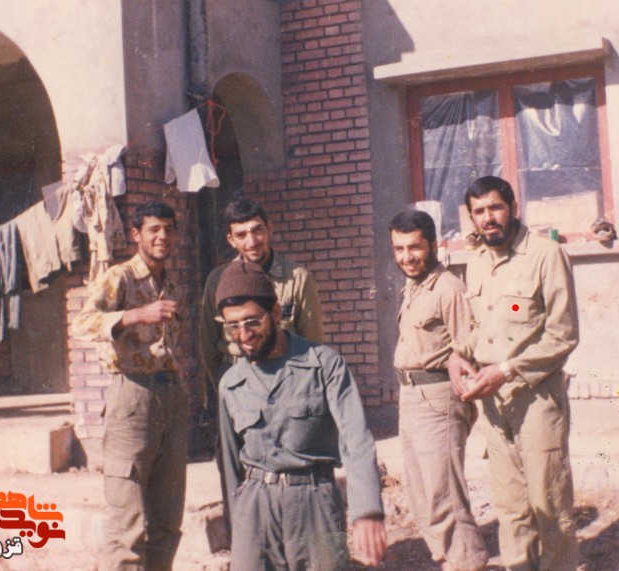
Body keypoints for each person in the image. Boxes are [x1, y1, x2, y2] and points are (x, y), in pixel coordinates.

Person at [215, 260, 386, 569]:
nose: (244, 334)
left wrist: (367, 511)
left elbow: (356, 439)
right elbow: (229, 465)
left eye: (252, 321)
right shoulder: (230, 383)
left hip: (316, 504)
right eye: (233, 326)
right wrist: (236, 528)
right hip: (255, 510)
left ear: (275, 312)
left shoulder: (324, 365)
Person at [449, 176, 579, 571]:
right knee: (511, 509)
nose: (488, 218)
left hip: (536, 398)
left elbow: (563, 335)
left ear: (513, 207)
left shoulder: (546, 255)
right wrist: (458, 354)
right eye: (479, 211)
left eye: (495, 207)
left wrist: (506, 370)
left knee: (549, 505)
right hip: (493, 403)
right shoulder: (477, 263)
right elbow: (481, 326)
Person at [197, 197, 325, 535]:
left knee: (291, 468)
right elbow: (208, 346)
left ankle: (297, 546)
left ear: (270, 229)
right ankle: (246, 545)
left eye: (257, 230)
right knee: (236, 471)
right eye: (241, 234)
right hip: (237, 386)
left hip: (286, 387)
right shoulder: (217, 281)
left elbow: (314, 344)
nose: (251, 241)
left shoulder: (296, 278)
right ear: (230, 239)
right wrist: (229, 386)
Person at [72, 200, 186, 571]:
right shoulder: (119, 277)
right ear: (136, 234)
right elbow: (82, 323)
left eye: (168, 229)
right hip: (133, 397)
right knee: (128, 524)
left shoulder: (169, 283)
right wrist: (135, 315)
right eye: (154, 229)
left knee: (166, 522)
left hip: (170, 396)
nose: (162, 236)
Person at [389, 209, 489, 571]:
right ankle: (449, 560)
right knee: (422, 493)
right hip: (412, 397)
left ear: (433, 245)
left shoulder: (448, 289)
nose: (406, 257)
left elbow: (469, 348)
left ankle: (469, 563)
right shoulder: (415, 286)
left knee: (445, 494)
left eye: (414, 247)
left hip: (439, 399)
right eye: (399, 249)